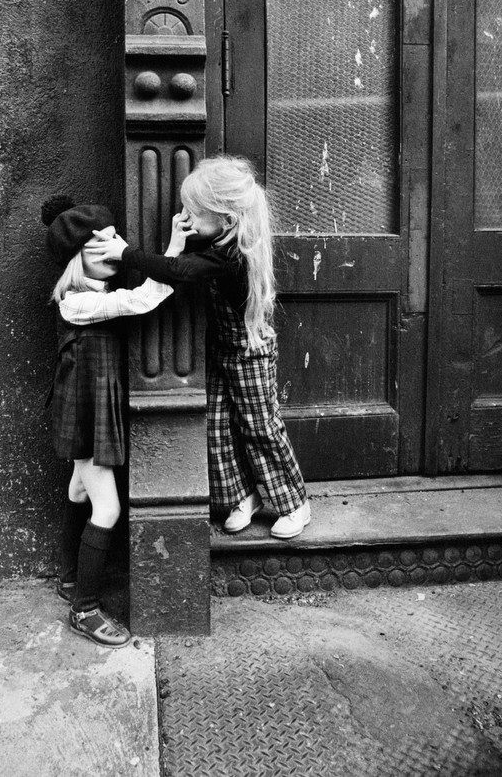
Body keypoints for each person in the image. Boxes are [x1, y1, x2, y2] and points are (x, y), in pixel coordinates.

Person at [83, 156, 310, 540]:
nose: (186, 215)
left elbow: (182, 271)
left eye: (195, 212)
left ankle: (294, 503)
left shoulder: (232, 254)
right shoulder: (218, 240)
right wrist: (180, 237)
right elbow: (182, 262)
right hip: (223, 347)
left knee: (260, 426)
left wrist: (125, 253)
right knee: (218, 423)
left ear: (226, 218)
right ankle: (244, 495)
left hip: (249, 351)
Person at [41, 196, 175, 648]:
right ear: (81, 258)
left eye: (118, 238)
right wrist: (174, 248)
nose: (120, 248)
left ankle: (69, 579)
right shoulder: (76, 302)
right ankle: (85, 610)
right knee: (109, 509)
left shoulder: (93, 295)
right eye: (107, 243)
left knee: (79, 489)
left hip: (90, 409)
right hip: (84, 412)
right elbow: (142, 300)